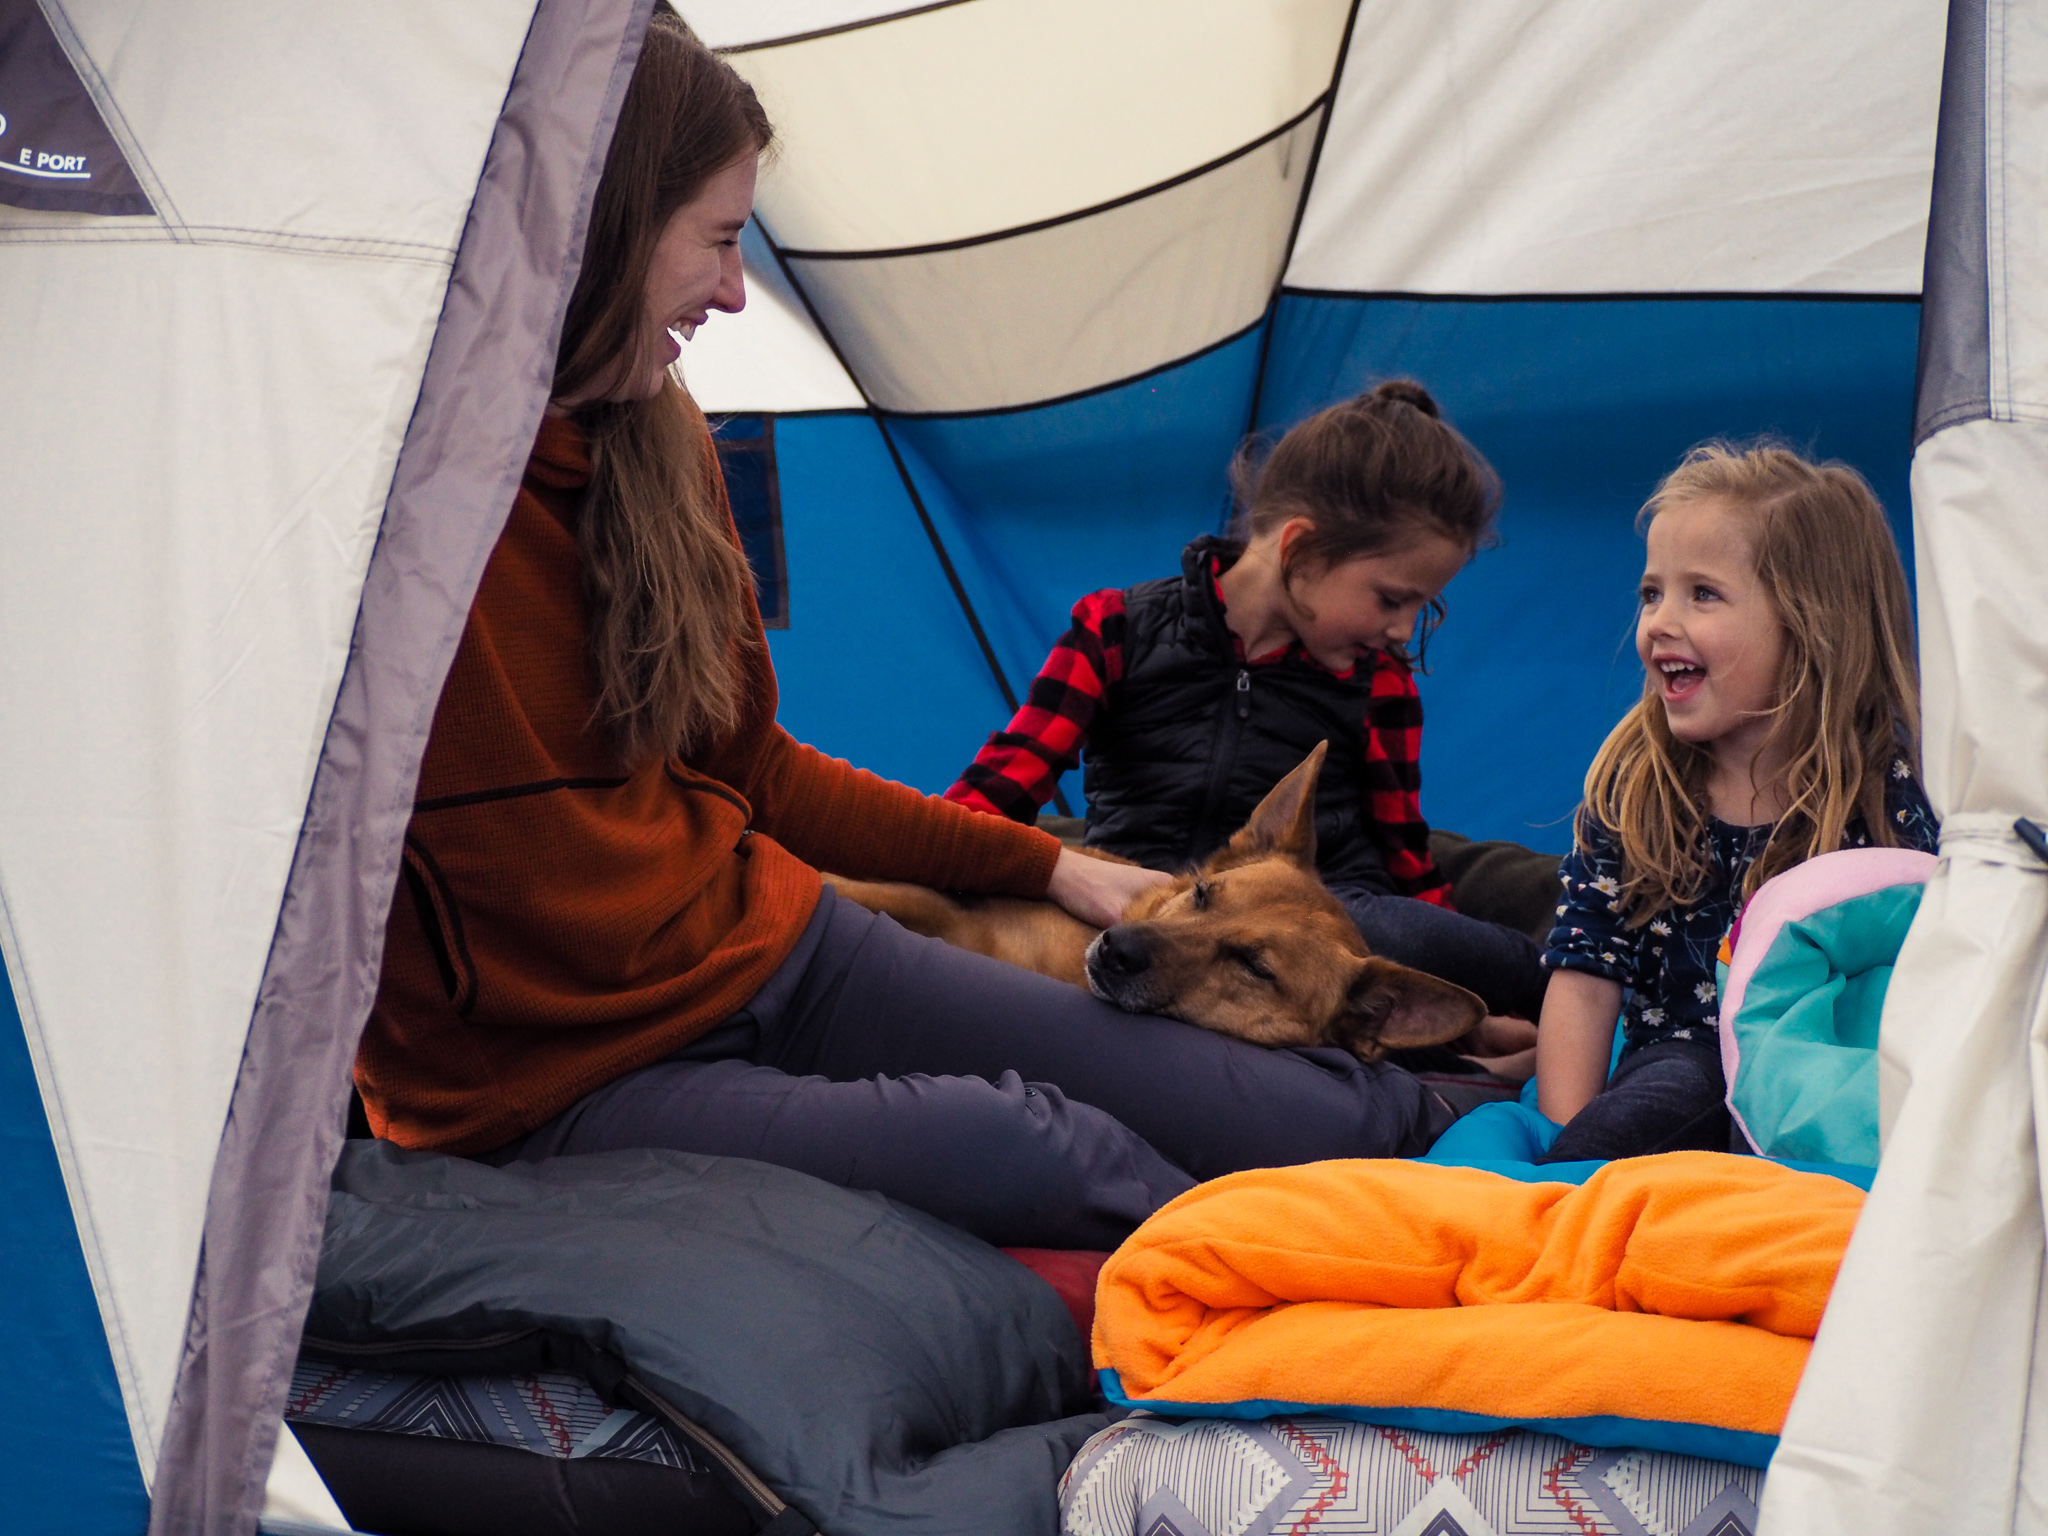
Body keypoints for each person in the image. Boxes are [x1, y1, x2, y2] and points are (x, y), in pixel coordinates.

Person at [354, 17, 1476, 1255]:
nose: (734, 291)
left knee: (1286, 1115)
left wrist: (1050, 868)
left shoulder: (656, 448)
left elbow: (757, 773)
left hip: (775, 942)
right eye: (720, 241)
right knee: (1037, 1144)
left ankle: (1493, 1131)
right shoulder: (368, 514)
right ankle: (1344, 1270)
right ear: (595, 226)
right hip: (567, 1078)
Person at [947, 382, 1550, 1028]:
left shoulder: (1380, 683)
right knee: (1011, 899)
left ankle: (1575, 983)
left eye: (1420, 610)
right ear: (1299, 550)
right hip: (1146, 901)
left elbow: (1406, 853)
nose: (1403, 631)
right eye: (1392, 599)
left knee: (1406, 936)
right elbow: (1005, 781)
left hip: (1321, 920)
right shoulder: (1117, 629)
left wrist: (1472, 992)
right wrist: (945, 848)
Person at [1532, 442, 1939, 1162]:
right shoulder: (1638, 785)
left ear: (1811, 625)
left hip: (1823, 1060)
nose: (1659, 621)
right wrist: (1562, 1138)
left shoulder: (1890, 796)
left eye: (1703, 594)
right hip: (1688, 1059)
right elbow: (1586, 976)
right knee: (1652, 1110)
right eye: (1651, 593)